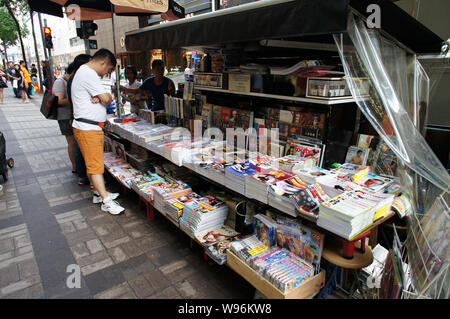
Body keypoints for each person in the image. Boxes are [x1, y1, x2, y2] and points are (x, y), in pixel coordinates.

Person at [71, 48, 124, 215]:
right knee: (96, 166)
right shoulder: (88, 74)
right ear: (103, 63)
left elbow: (104, 98)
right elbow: (107, 99)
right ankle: (106, 202)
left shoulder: (84, 72)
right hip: (88, 128)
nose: (105, 73)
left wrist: (102, 97)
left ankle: (98, 194)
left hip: (88, 126)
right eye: (107, 70)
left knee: (93, 163)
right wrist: (104, 97)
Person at [66, 54, 92, 187]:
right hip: (81, 120)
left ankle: (82, 175)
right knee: (82, 148)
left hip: (76, 118)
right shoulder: (78, 79)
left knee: (79, 147)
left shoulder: (72, 78)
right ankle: (84, 176)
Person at [53, 62, 77, 174]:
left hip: (73, 116)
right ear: (73, 72)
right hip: (65, 117)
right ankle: (74, 166)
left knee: (76, 142)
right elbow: (58, 100)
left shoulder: (71, 81)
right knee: (71, 142)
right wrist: (76, 99)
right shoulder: (60, 82)